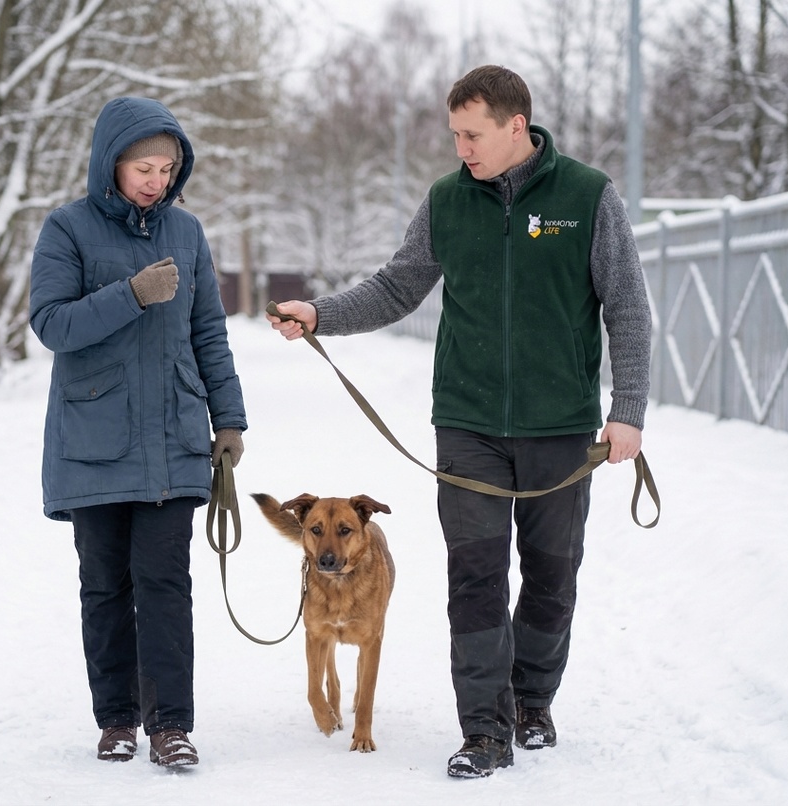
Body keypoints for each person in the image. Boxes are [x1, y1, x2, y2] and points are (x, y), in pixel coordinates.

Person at [267, 65, 651, 778]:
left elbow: (627, 304)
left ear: (516, 127)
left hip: (560, 425)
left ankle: (531, 702)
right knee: (474, 575)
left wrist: (626, 411)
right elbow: (397, 285)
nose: (461, 148)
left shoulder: (587, 196)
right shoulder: (447, 200)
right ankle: (483, 728)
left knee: (551, 573)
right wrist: (321, 314)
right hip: (468, 423)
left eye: (472, 135)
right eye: (454, 135)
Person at [29, 96, 247, 769]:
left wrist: (230, 417)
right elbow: (52, 325)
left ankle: (171, 726)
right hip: (94, 440)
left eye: (167, 167)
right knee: (104, 586)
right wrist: (130, 294)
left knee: (164, 583)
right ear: (110, 163)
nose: (156, 179)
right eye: (143, 166)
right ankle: (117, 719)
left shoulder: (187, 233)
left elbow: (208, 331)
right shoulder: (67, 229)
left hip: (172, 438)